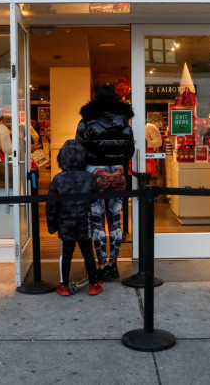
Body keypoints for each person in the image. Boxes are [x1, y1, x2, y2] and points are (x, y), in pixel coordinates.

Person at [76, 85, 135, 281]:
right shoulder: (125, 122)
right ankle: (114, 265)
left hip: (95, 172)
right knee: (116, 221)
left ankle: (101, 265)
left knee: (97, 222)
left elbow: (79, 147)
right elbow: (130, 151)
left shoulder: (87, 120)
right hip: (118, 171)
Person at [46, 139, 103, 296]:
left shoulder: (58, 179)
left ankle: (64, 286)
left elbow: (51, 206)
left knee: (66, 255)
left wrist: (51, 225)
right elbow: (94, 198)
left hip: (65, 224)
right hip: (84, 221)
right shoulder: (89, 177)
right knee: (88, 254)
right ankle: (93, 284)